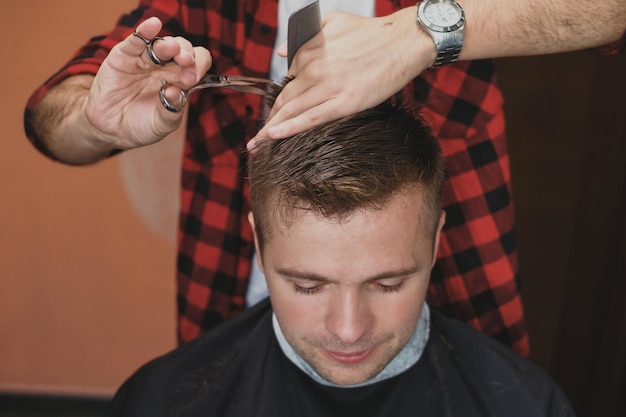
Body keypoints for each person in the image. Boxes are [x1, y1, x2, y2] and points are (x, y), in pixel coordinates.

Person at [23, 0, 626, 355]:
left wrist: (426, 30)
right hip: (236, 301)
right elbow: (53, 116)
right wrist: (95, 121)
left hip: (452, 299)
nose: (347, 330)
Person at [105, 94, 575, 417]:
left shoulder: (528, 406)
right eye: (308, 286)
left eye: (387, 284)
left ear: (435, 245)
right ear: (259, 244)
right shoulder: (161, 402)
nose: (349, 330)